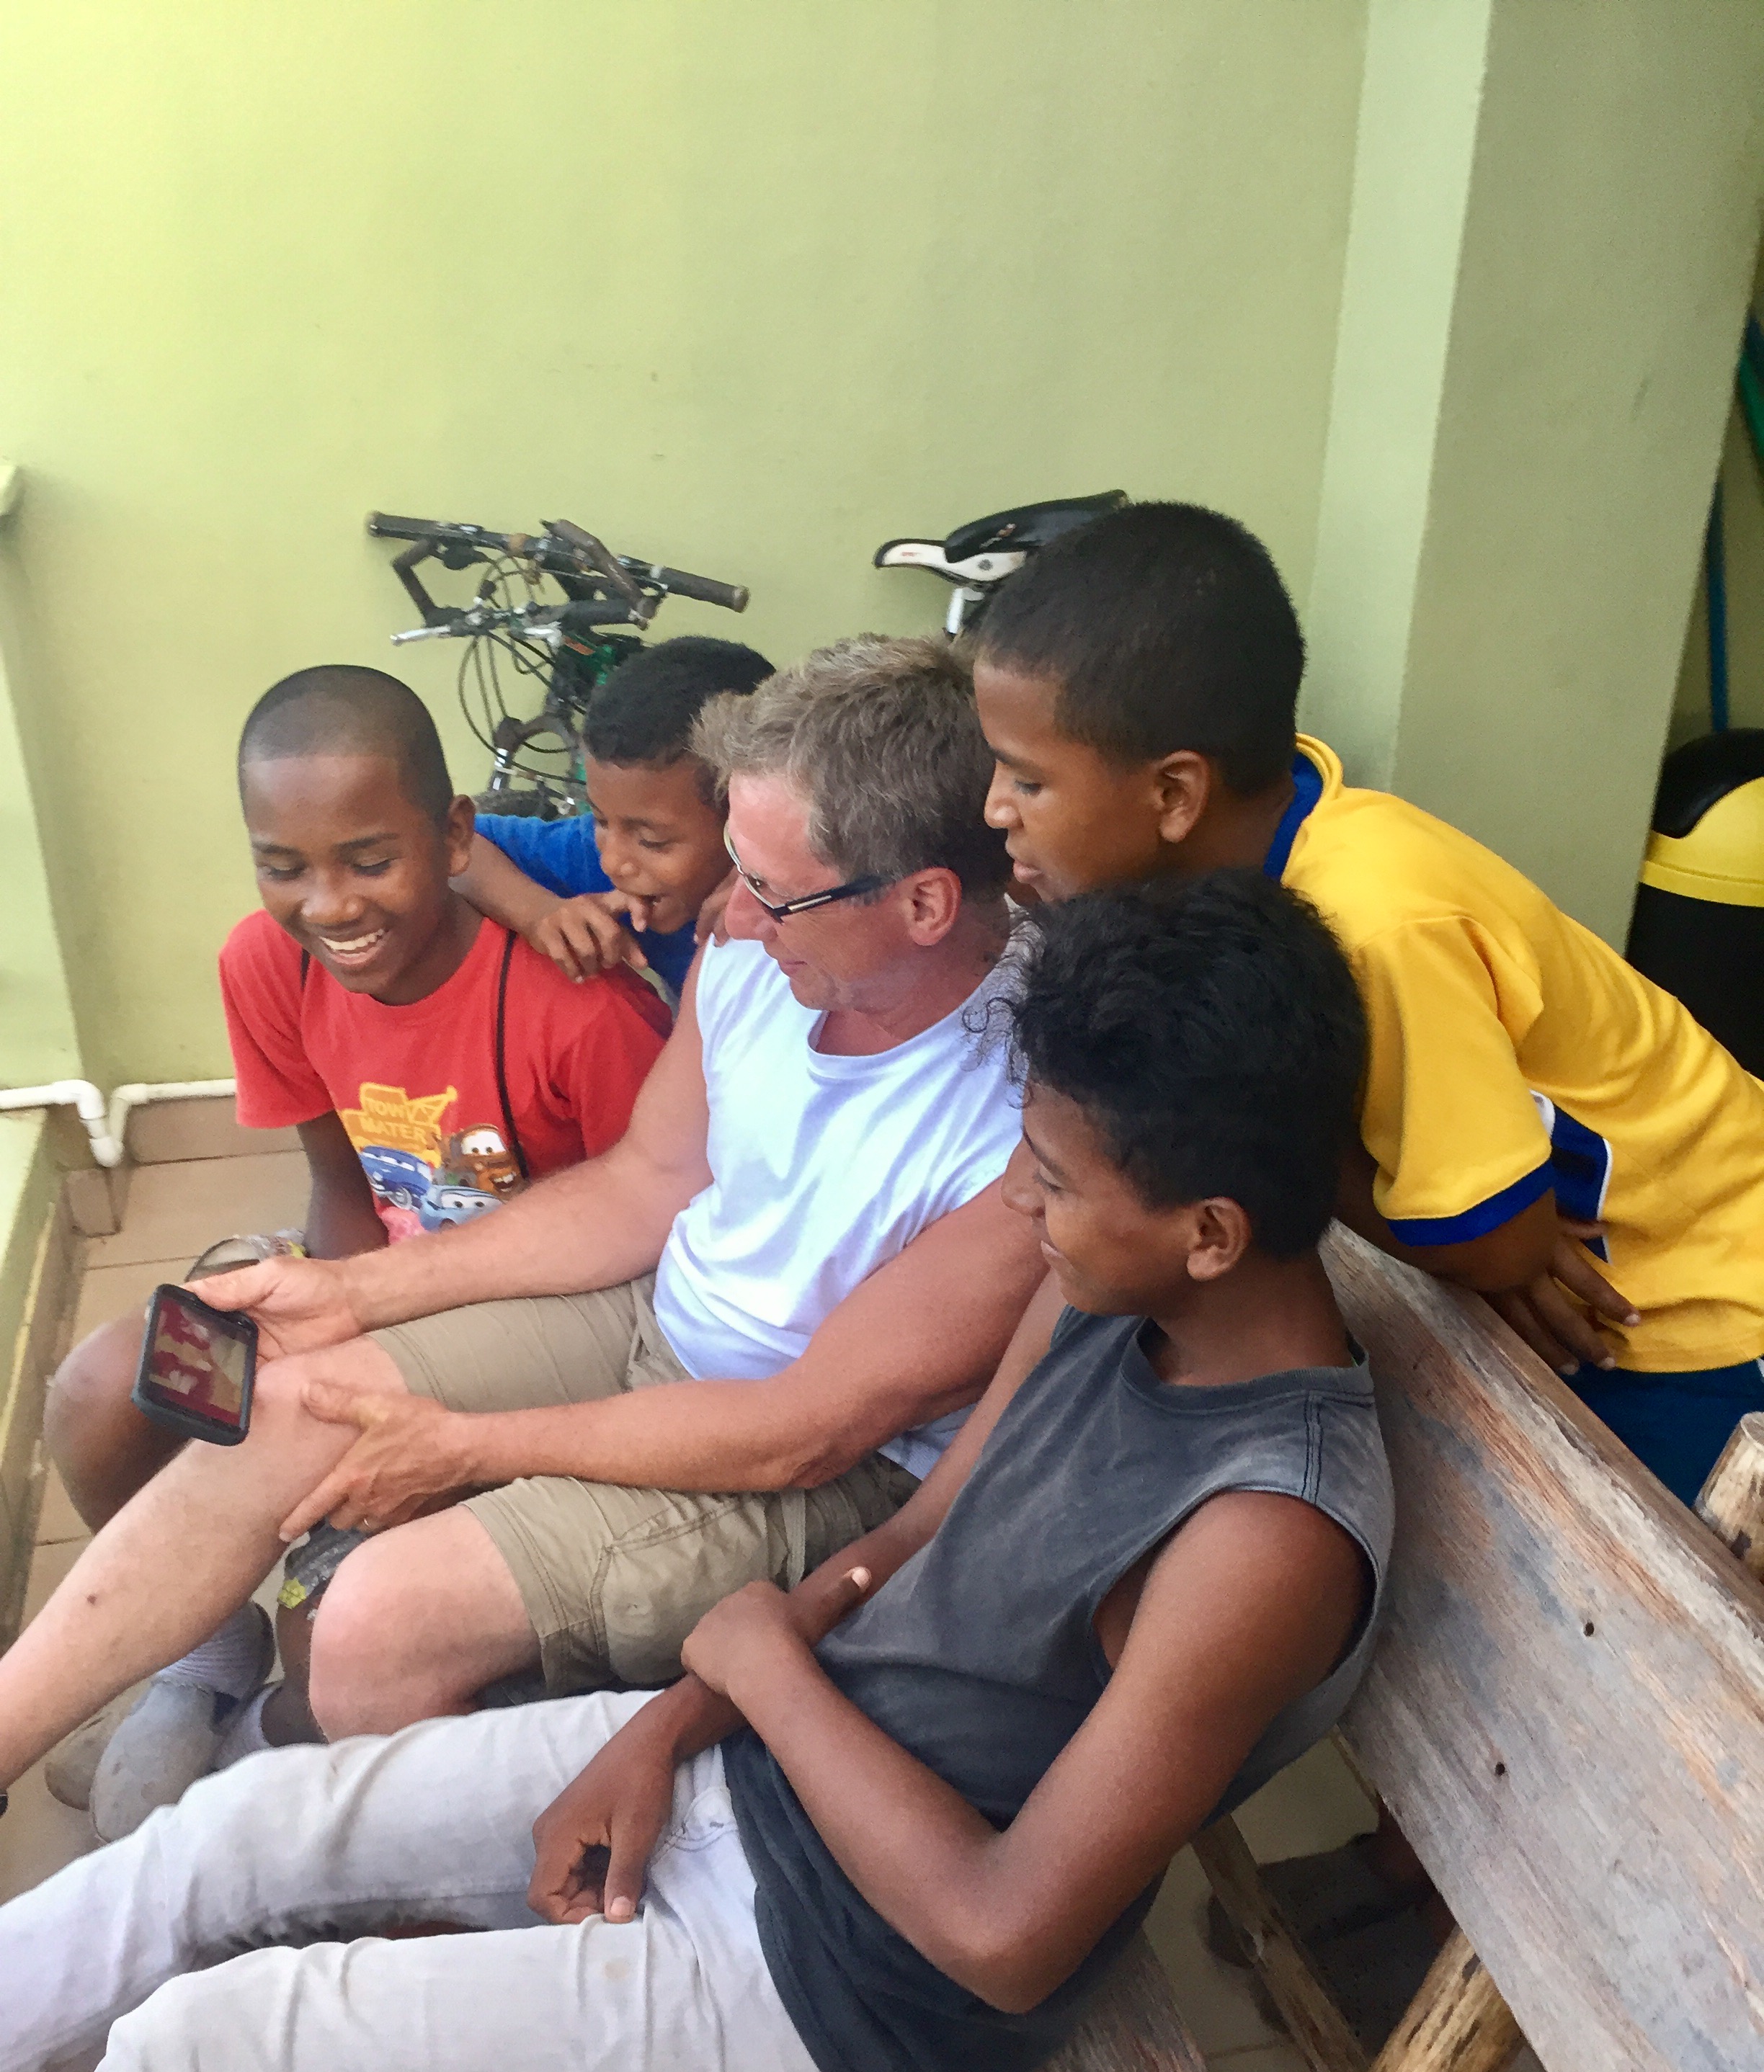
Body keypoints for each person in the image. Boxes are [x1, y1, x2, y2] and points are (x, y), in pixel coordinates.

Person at [0, 872, 1393, 2072]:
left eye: (1050, 1174)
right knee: (222, 1835)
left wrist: (760, 1669)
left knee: (199, 2065)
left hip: (846, 1978)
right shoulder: (1119, 1296)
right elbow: (916, 1531)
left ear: (1210, 1230)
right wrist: (673, 1723)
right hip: (762, 1766)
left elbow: (1002, 1934)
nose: (1015, 1201)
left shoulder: (1265, 1532)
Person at [0, 633, 1041, 1810]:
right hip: (664, 1312)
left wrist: (472, 1445)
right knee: (287, 1401)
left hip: (822, 1464)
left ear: (922, 901)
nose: (725, 914)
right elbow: (645, 1180)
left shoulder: (1029, 1117)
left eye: (767, 887)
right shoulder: (761, 947)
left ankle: (371, 1850)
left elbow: (797, 1433)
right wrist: (350, 1289)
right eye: (736, 869)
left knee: (376, 1624)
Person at [968, 496, 1764, 2022]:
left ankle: (1524, 1939)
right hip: (1612, 1280)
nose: (996, 810)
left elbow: (1498, 1235)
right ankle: (1414, 1881)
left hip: (1693, 1305)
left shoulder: (1368, 915)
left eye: (1026, 779)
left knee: (1599, 1649)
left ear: (1174, 791)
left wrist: (1301, 1157)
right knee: (1470, 1591)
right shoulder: (1270, 847)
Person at [40, 666, 671, 1836]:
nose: (328, 904)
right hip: (351, 1276)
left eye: (368, 859)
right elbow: (342, 1182)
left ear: (453, 839)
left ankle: (273, 1713)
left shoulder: (582, 1012)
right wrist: (322, 1320)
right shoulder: (266, 963)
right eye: (284, 866)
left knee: (331, 1623)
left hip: (525, 1329)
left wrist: (376, 1379)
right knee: (105, 1391)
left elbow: (637, 1257)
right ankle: (199, 1654)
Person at [457, 635, 772, 1004]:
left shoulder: (812, 904)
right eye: (601, 820)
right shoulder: (601, 860)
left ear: (749, 814)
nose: (612, 862)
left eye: (653, 841)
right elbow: (455, 847)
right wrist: (538, 912)